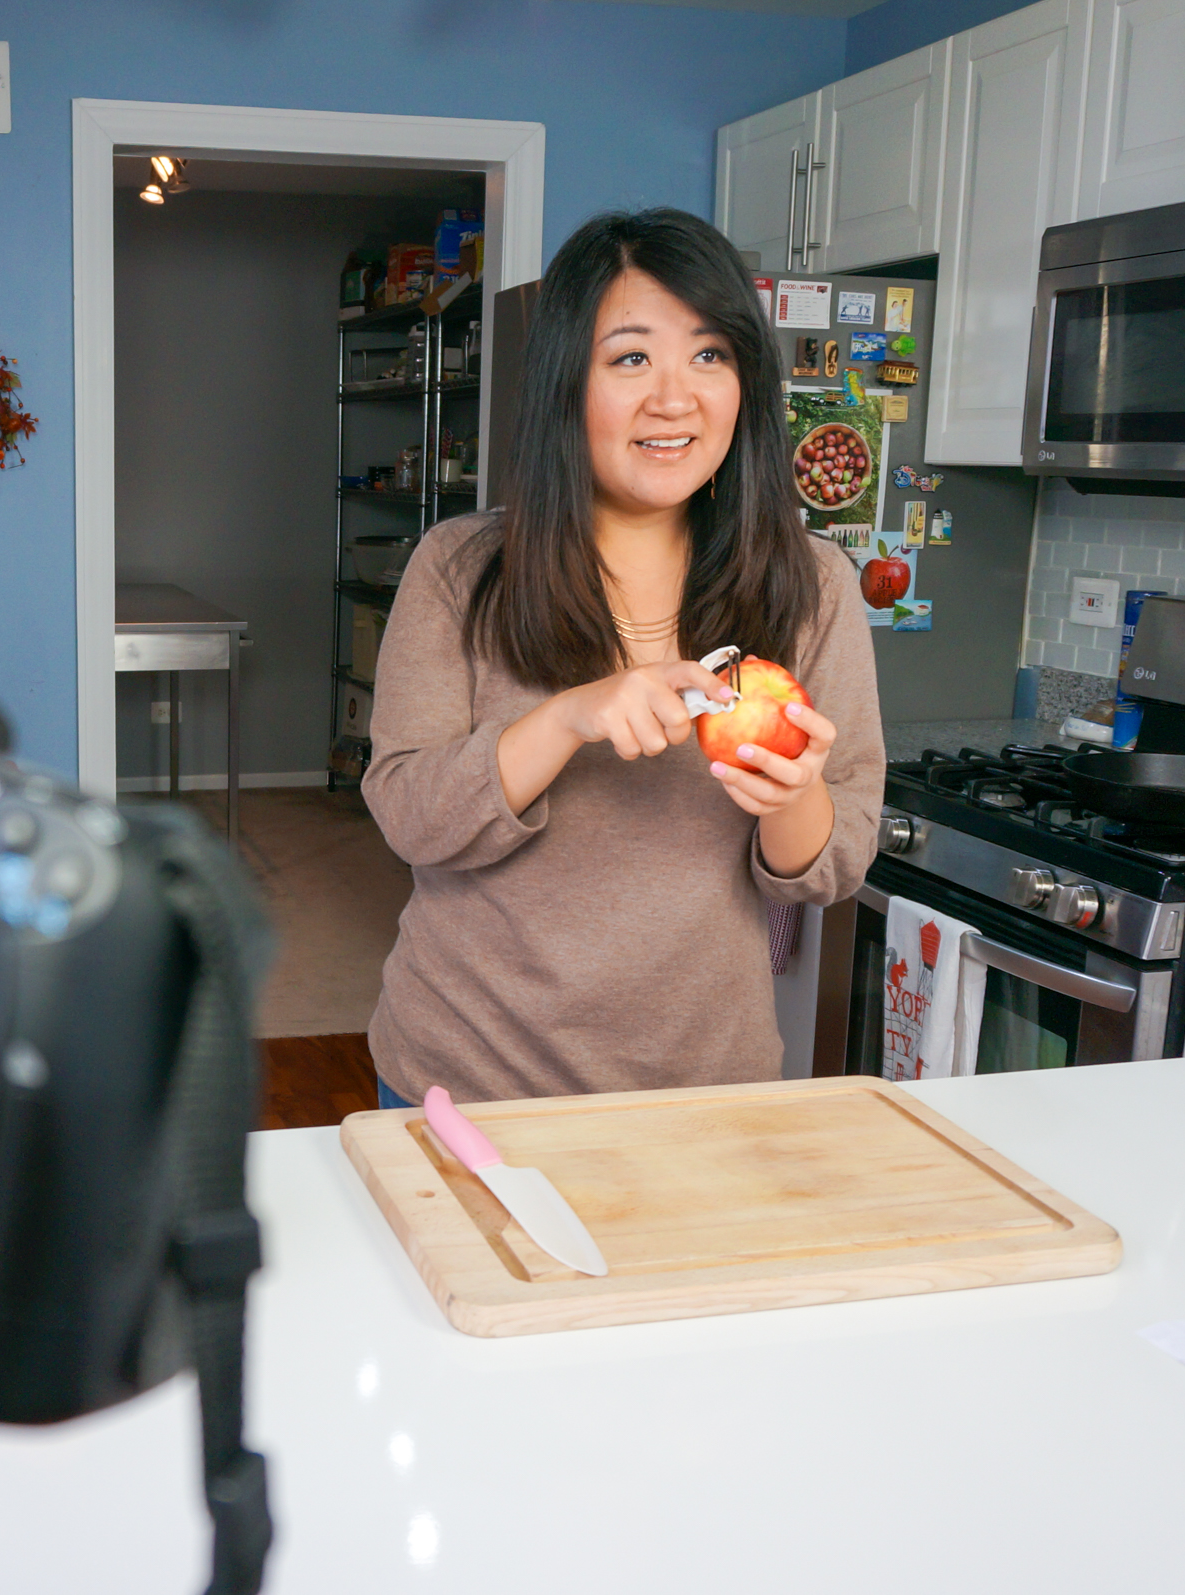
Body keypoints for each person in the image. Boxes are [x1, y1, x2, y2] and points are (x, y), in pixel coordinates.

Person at [362, 207, 883, 1107]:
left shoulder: (816, 586)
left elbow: (834, 869)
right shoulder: (459, 567)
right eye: (631, 357)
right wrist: (567, 716)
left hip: (703, 1092)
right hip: (469, 1081)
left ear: (745, 385)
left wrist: (793, 793)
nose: (674, 397)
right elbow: (409, 815)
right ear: (569, 384)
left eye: (710, 354)